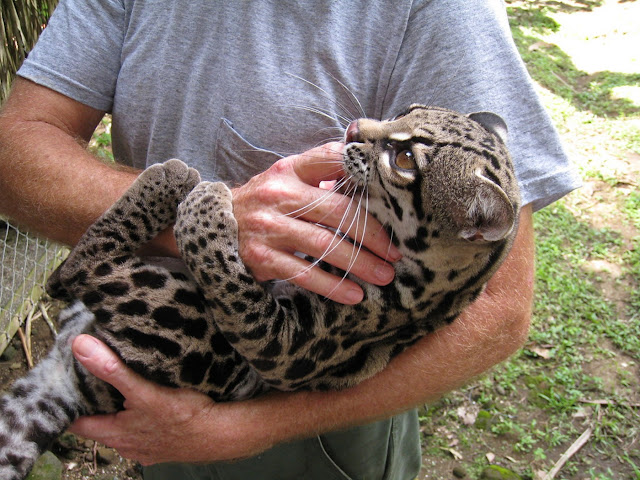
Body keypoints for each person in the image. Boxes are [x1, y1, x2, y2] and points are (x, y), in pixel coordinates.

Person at [0, 0, 581, 478]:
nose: (362, 129)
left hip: (311, 434)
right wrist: (193, 227)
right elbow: (16, 150)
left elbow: (501, 309)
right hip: (153, 365)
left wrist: (235, 431)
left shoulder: (441, 11)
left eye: (400, 152)